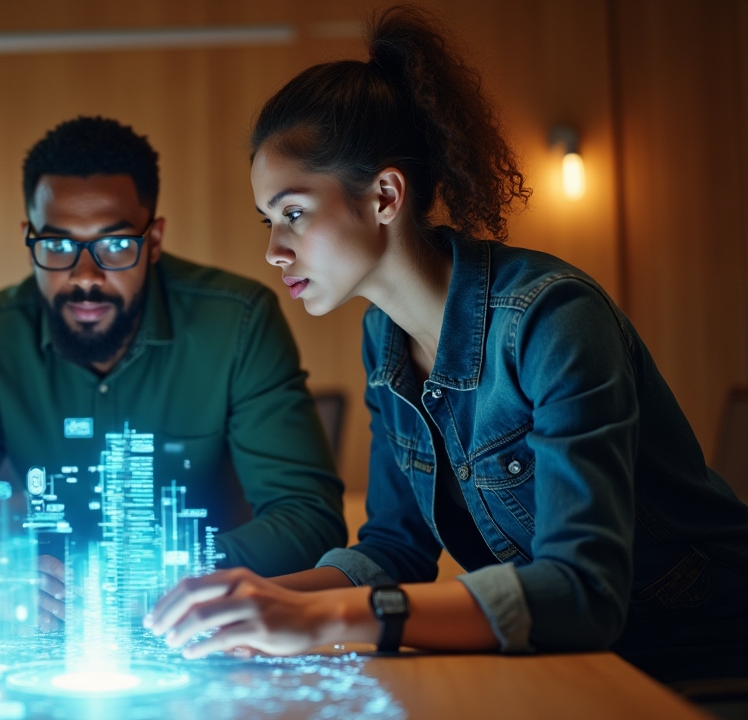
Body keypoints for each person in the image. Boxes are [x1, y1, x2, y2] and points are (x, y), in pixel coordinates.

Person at [145, 7, 748, 684]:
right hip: (575, 661)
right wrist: (267, 599)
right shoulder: (384, 336)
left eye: (293, 213)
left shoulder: (552, 319)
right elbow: (395, 549)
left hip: (698, 659)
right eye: (268, 220)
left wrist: (321, 620)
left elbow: (583, 592)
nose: (273, 250)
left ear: (383, 195)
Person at [0, 117, 347, 627]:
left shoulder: (237, 320)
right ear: (28, 238)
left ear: (153, 241)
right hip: (38, 626)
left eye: (115, 244)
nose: (85, 277)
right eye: (57, 246)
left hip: (198, 622)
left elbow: (309, 519)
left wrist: (175, 572)